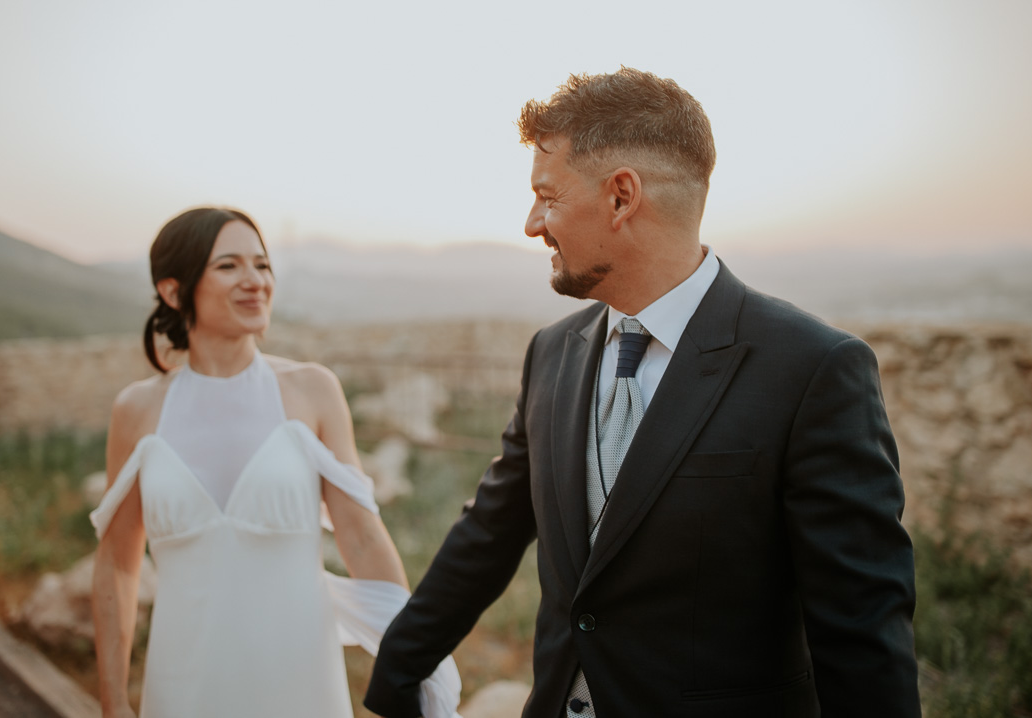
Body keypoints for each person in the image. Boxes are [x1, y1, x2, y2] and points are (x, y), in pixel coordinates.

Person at [365, 68, 921, 717]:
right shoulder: (551, 353)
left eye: (546, 196)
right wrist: (395, 678)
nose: (529, 223)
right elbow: (487, 533)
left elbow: (861, 633)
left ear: (620, 196)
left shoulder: (812, 370)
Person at [90, 207, 461, 718]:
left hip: (300, 682)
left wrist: (411, 668)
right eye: (229, 266)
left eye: (262, 265)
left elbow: (362, 537)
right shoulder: (136, 410)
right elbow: (117, 564)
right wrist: (113, 703)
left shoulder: (313, 390)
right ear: (175, 291)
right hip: (181, 683)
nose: (255, 281)